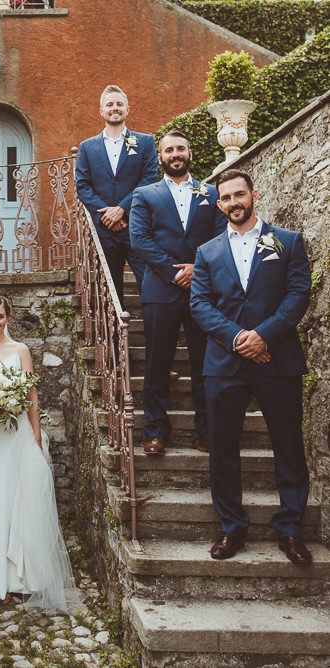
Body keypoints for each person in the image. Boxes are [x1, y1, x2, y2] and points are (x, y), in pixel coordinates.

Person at [191, 169, 312, 564]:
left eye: (239, 195)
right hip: (225, 363)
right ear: (220, 203)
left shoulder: (288, 242)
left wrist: (264, 336)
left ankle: (290, 529)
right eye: (225, 198)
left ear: (253, 194)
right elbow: (200, 305)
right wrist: (238, 339)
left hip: (277, 359)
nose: (233, 203)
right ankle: (231, 528)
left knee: (288, 445)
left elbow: (297, 295)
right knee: (222, 447)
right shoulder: (207, 252)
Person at [0, 296, 83, 612]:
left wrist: (36, 435)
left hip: (16, 432)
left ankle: (18, 579)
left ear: (8, 317)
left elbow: (31, 392)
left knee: (15, 498)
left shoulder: (21, 350)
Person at [130, 131, 226, 457]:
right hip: (160, 290)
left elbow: (220, 236)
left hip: (202, 289)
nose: (175, 154)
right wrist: (174, 271)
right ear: (160, 157)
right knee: (157, 362)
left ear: (190, 152)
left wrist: (197, 269)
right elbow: (139, 240)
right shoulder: (145, 194)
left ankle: (208, 432)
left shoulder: (211, 193)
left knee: (203, 361)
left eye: (180, 148)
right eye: (169, 150)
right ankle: (156, 432)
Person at [75, 84, 158, 305]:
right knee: (110, 292)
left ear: (127, 109)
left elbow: (149, 179)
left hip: (137, 225)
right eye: (110, 104)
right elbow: (82, 186)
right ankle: (114, 339)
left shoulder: (145, 142)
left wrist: (122, 209)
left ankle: (155, 338)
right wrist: (107, 215)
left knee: (149, 284)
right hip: (105, 229)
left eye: (119, 104)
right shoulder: (86, 147)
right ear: (101, 111)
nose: (115, 108)